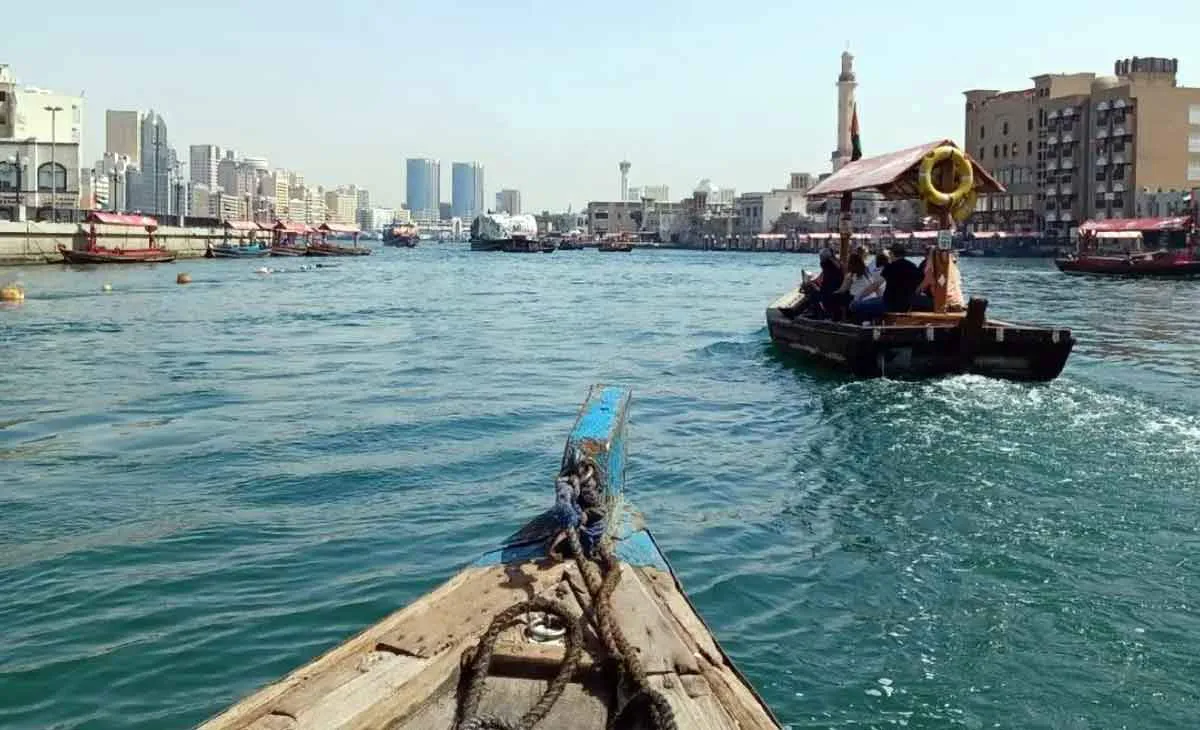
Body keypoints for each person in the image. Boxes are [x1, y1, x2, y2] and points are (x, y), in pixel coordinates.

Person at [850, 243, 923, 320]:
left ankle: (867, 325)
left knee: (855, 305)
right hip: (907, 304)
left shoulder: (891, 267)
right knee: (872, 301)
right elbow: (920, 285)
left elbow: (876, 285)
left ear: (891, 254)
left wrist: (859, 296)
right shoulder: (913, 266)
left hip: (889, 303)